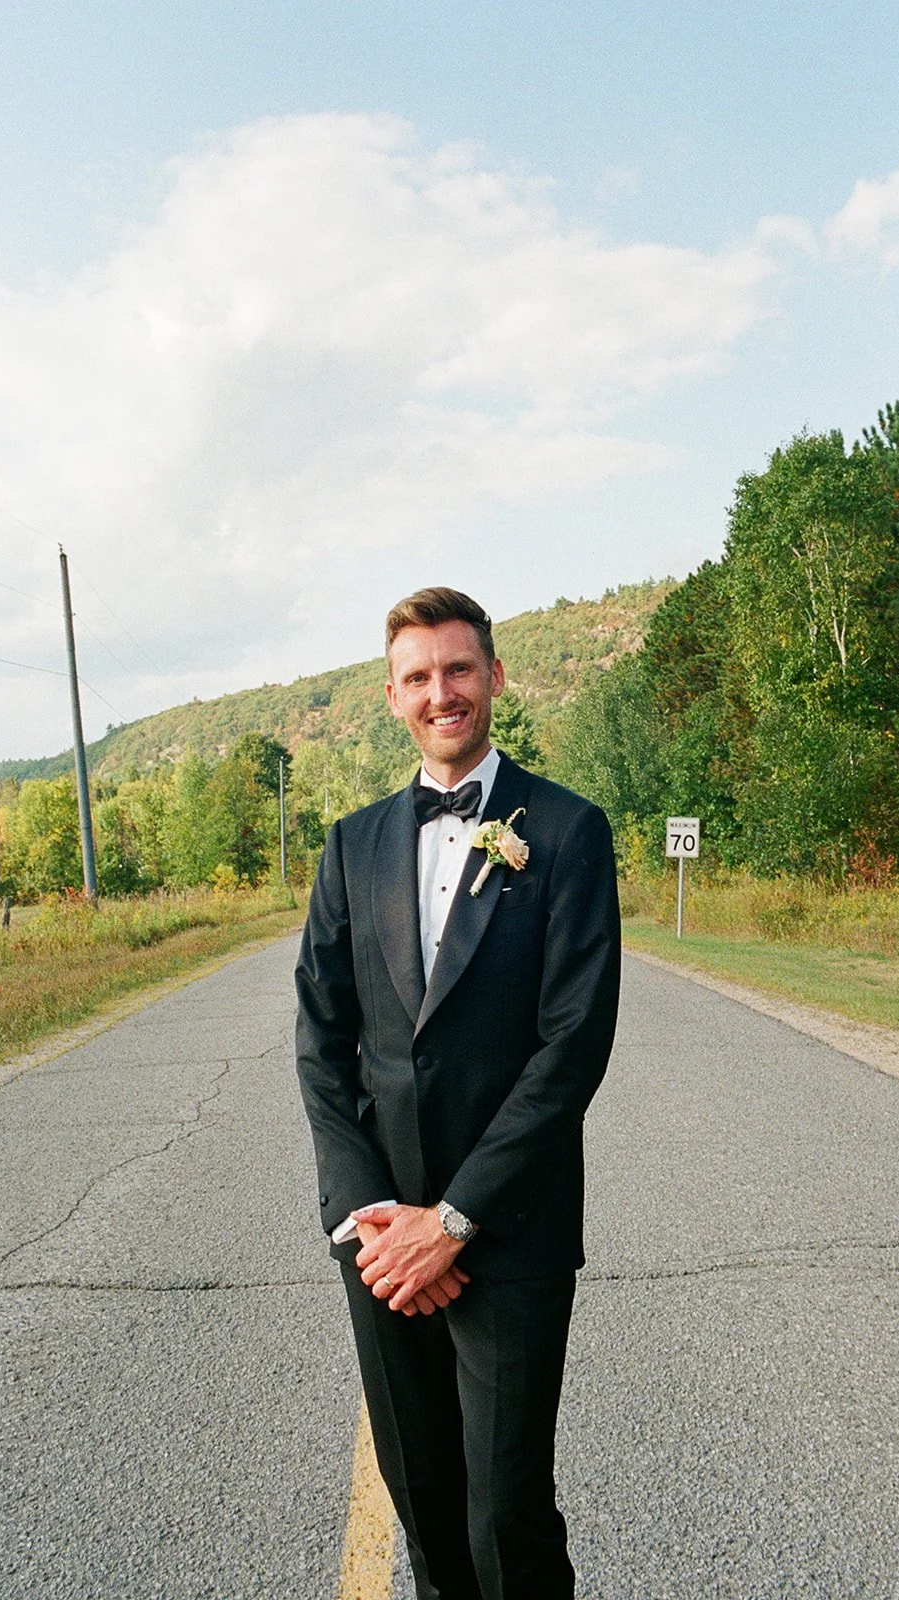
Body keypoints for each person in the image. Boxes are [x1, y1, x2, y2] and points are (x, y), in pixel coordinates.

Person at [294, 587, 620, 1600]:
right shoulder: (350, 845)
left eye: (459, 669)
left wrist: (458, 1216)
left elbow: (571, 1046)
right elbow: (321, 1042)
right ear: (391, 696)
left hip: (508, 1233)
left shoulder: (564, 831)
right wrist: (376, 1220)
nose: (442, 693)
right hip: (382, 1241)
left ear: (494, 677)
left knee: (503, 1517)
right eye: (418, 677)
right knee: (426, 1505)